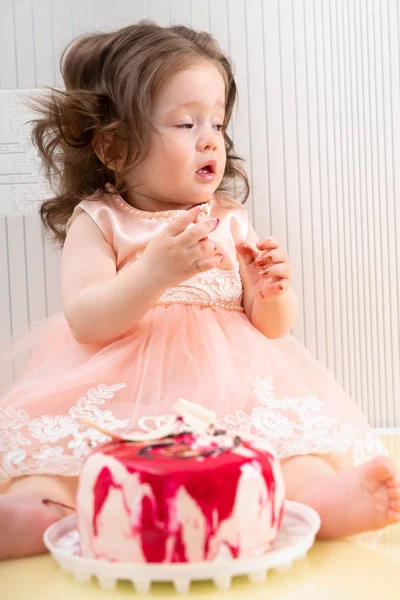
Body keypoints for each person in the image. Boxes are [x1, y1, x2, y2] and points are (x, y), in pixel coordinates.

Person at [1, 21, 399, 561]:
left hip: (226, 382)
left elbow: (273, 328)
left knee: (280, 451)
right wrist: (152, 274)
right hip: (117, 382)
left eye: (217, 122)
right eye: (186, 123)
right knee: (66, 464)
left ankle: (313, 499)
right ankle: (37, 512)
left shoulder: (228, 218)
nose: (210, 137)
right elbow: (86, 319)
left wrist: (271, 290)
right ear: (113, 147)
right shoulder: (98, 220)